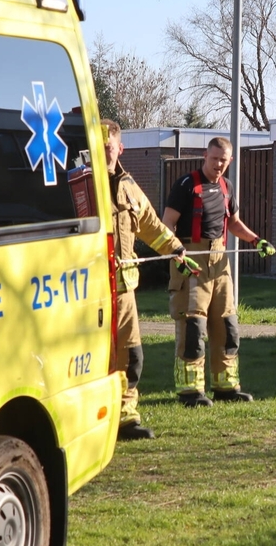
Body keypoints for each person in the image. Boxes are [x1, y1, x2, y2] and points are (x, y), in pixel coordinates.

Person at [162, 137, 276, 407]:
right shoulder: (186, 184)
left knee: (227, 324)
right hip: (191, 259)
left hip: (220, 260)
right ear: (205, 156)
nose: (218, 164)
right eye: (214, 159)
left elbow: (234, 223)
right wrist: (176, 253)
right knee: (193, 325)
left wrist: (256, 241)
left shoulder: (227, 186)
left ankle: (226, 386)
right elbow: (166, 223)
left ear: (230, 161)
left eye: (223, 160)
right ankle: (190, 390)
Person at [102, 119, 194, 440]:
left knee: (131, 357)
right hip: (90, 292)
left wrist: (176, 249)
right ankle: (96, 421)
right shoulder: (82, 185)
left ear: (120, 148)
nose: (104, 154)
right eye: (98, 149)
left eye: (109, 148)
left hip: (124, 291)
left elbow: (152, 225)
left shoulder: (128, 187)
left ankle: (125, 418)